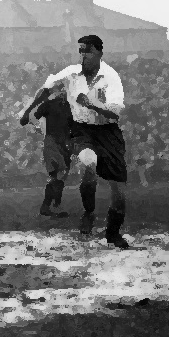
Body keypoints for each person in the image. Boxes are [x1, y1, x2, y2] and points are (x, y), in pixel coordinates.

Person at [20, 35, 131, 249]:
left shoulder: (110, 76)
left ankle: (113, 233)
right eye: (81, 50)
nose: (83, 55)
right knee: (88, 164)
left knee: (118, 190)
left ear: (99, 52)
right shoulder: (71, 73)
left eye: (87, 50)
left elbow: (115, 113)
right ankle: (89, 212)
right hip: (83, 131)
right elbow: (46, 88)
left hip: (108, 132)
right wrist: (28, 110)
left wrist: (92, 104)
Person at [25, 93, 74, 218]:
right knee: (55, 174)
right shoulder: (49, 105)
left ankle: (53, 205)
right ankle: (48, 206)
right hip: (52, 142)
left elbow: (74, 127)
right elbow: (32, 118)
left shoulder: (71, 107)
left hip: (64, 144)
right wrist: (38, 128)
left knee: (60, 176)